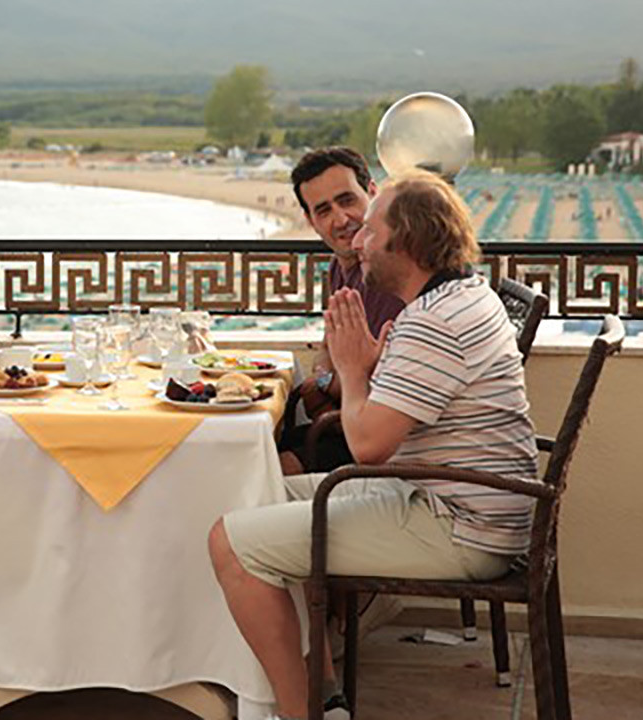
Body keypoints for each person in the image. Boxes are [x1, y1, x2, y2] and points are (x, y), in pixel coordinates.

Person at [209, 170, 539, 720]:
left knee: (231, 545)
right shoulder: (460, 296)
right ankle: (323, 692)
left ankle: (297, 712)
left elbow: (367, 447)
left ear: (405, 241)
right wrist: (365, 366)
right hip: (453, 500)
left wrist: (352, 368)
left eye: (370, 230)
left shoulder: (434, 322)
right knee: (257, 494)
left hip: (461, 525)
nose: (357, 240)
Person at [283, 147, 406, 474]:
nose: (340, 220)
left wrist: (324, 384)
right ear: (310, 220)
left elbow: (377, 383)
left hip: (386, 446)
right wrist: (326, 378)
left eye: (347, 200)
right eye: (323, 210)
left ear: (373, 193)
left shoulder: (391, 275)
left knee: (268, 468)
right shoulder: (341, 266)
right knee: (256, 447)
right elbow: (329, 348)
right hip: (344, 421)